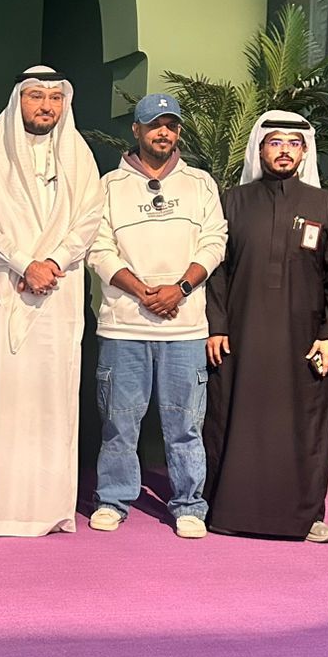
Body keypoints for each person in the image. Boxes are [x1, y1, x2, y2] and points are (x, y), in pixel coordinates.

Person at [0, 67, 103, 536]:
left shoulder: (79, 154)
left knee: (49, 400)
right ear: (18, 100)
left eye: (55, 98)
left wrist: (51, 262)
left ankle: (47, 508)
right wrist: (24, 263)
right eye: (36, 96)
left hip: (57, 295)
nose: (46, 106)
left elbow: (90, 219)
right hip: (0, 290)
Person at [204, 110, 328, 542]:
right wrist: (217, 326)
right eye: (275, 142)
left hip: (304, 341)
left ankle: (305, 517)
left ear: (305, 152)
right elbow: (217, 270)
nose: (284, 150)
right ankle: (224, 511)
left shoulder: (324, 204)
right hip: (239, 338)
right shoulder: (233, 201)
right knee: (231, 418)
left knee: (304, 424)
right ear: (260, 148)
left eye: (293, 143)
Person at [86, 92, 227, 537]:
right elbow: (97, 248)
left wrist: (179, 289)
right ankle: (113, 499)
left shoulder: (200, 183)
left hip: (184, 328)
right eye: (154, 125)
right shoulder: (109, 185)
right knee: (119, 422)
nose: (163, 132)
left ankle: (188, 504)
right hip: (123, 325)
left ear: (178, 131)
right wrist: (141, 291)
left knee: (185, 424)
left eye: (170, 125)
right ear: (137, 130)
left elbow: (216, 241)